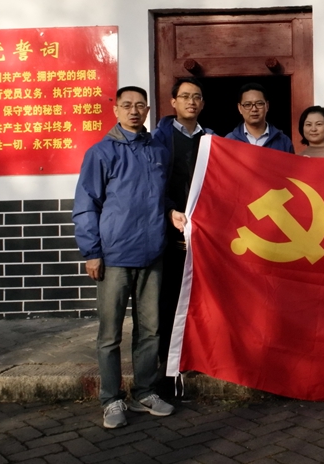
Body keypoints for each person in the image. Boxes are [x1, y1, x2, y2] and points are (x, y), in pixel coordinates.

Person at [73, 86, 184, 429]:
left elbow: (160, 196)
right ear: (116, 110)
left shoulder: (158, 150)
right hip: (115, 255)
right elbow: (86, 204)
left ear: (148, 110)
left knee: (150, 330)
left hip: (152, 253)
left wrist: (171, 212)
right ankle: (111, 398)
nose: (134, 111)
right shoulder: (101, 153)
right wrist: (92, 252)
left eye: (140, 105)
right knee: (110, 334)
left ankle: (145, 391)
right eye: (127, 105)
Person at [151, 77, 214, 393]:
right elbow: (153, 185)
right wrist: (169, 211)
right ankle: (167, 365)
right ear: (173, 102)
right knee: (169, 298)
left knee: (201, 298)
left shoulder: (212, 140)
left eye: (197, 97)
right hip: (169, 230)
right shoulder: (158, 139)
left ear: (203, 104)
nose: (191, 102)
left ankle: (196, 356)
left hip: (203, 235)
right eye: (185, 96)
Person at [224, 82, 295, 153]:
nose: (254, 109)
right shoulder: (229, 140)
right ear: (239, 108)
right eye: (248, 104)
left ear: (267, 106)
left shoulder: (283, 141)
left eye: (259, 103)